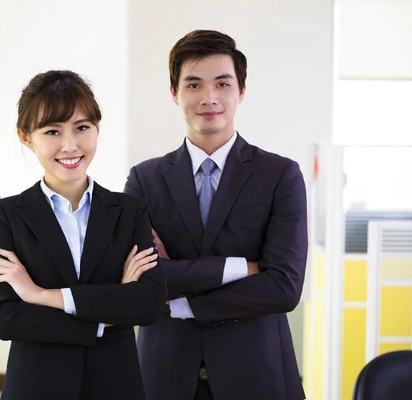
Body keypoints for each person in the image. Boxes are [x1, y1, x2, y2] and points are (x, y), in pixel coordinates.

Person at [124, 30, 307, 400]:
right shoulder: (144, 179)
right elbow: (144, 280)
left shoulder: (280, 175)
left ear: (241, 91)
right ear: (174, 93)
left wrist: (182, 302)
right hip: (164, 374)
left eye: (222, 83)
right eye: (194, 84)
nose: (209, 98)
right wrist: (245, 268)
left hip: (257, 372)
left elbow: (284, 287)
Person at [0, 70, 167, 400]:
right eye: (52, 131)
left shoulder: (130, 211)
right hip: (37, 387)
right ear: (26, 137)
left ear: (97, 129)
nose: (70, 145)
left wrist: (39, 295)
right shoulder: (6, 215)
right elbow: (7, 318)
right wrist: (111, 307)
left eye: (81, 128)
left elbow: (149, 304)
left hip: (116, 385)